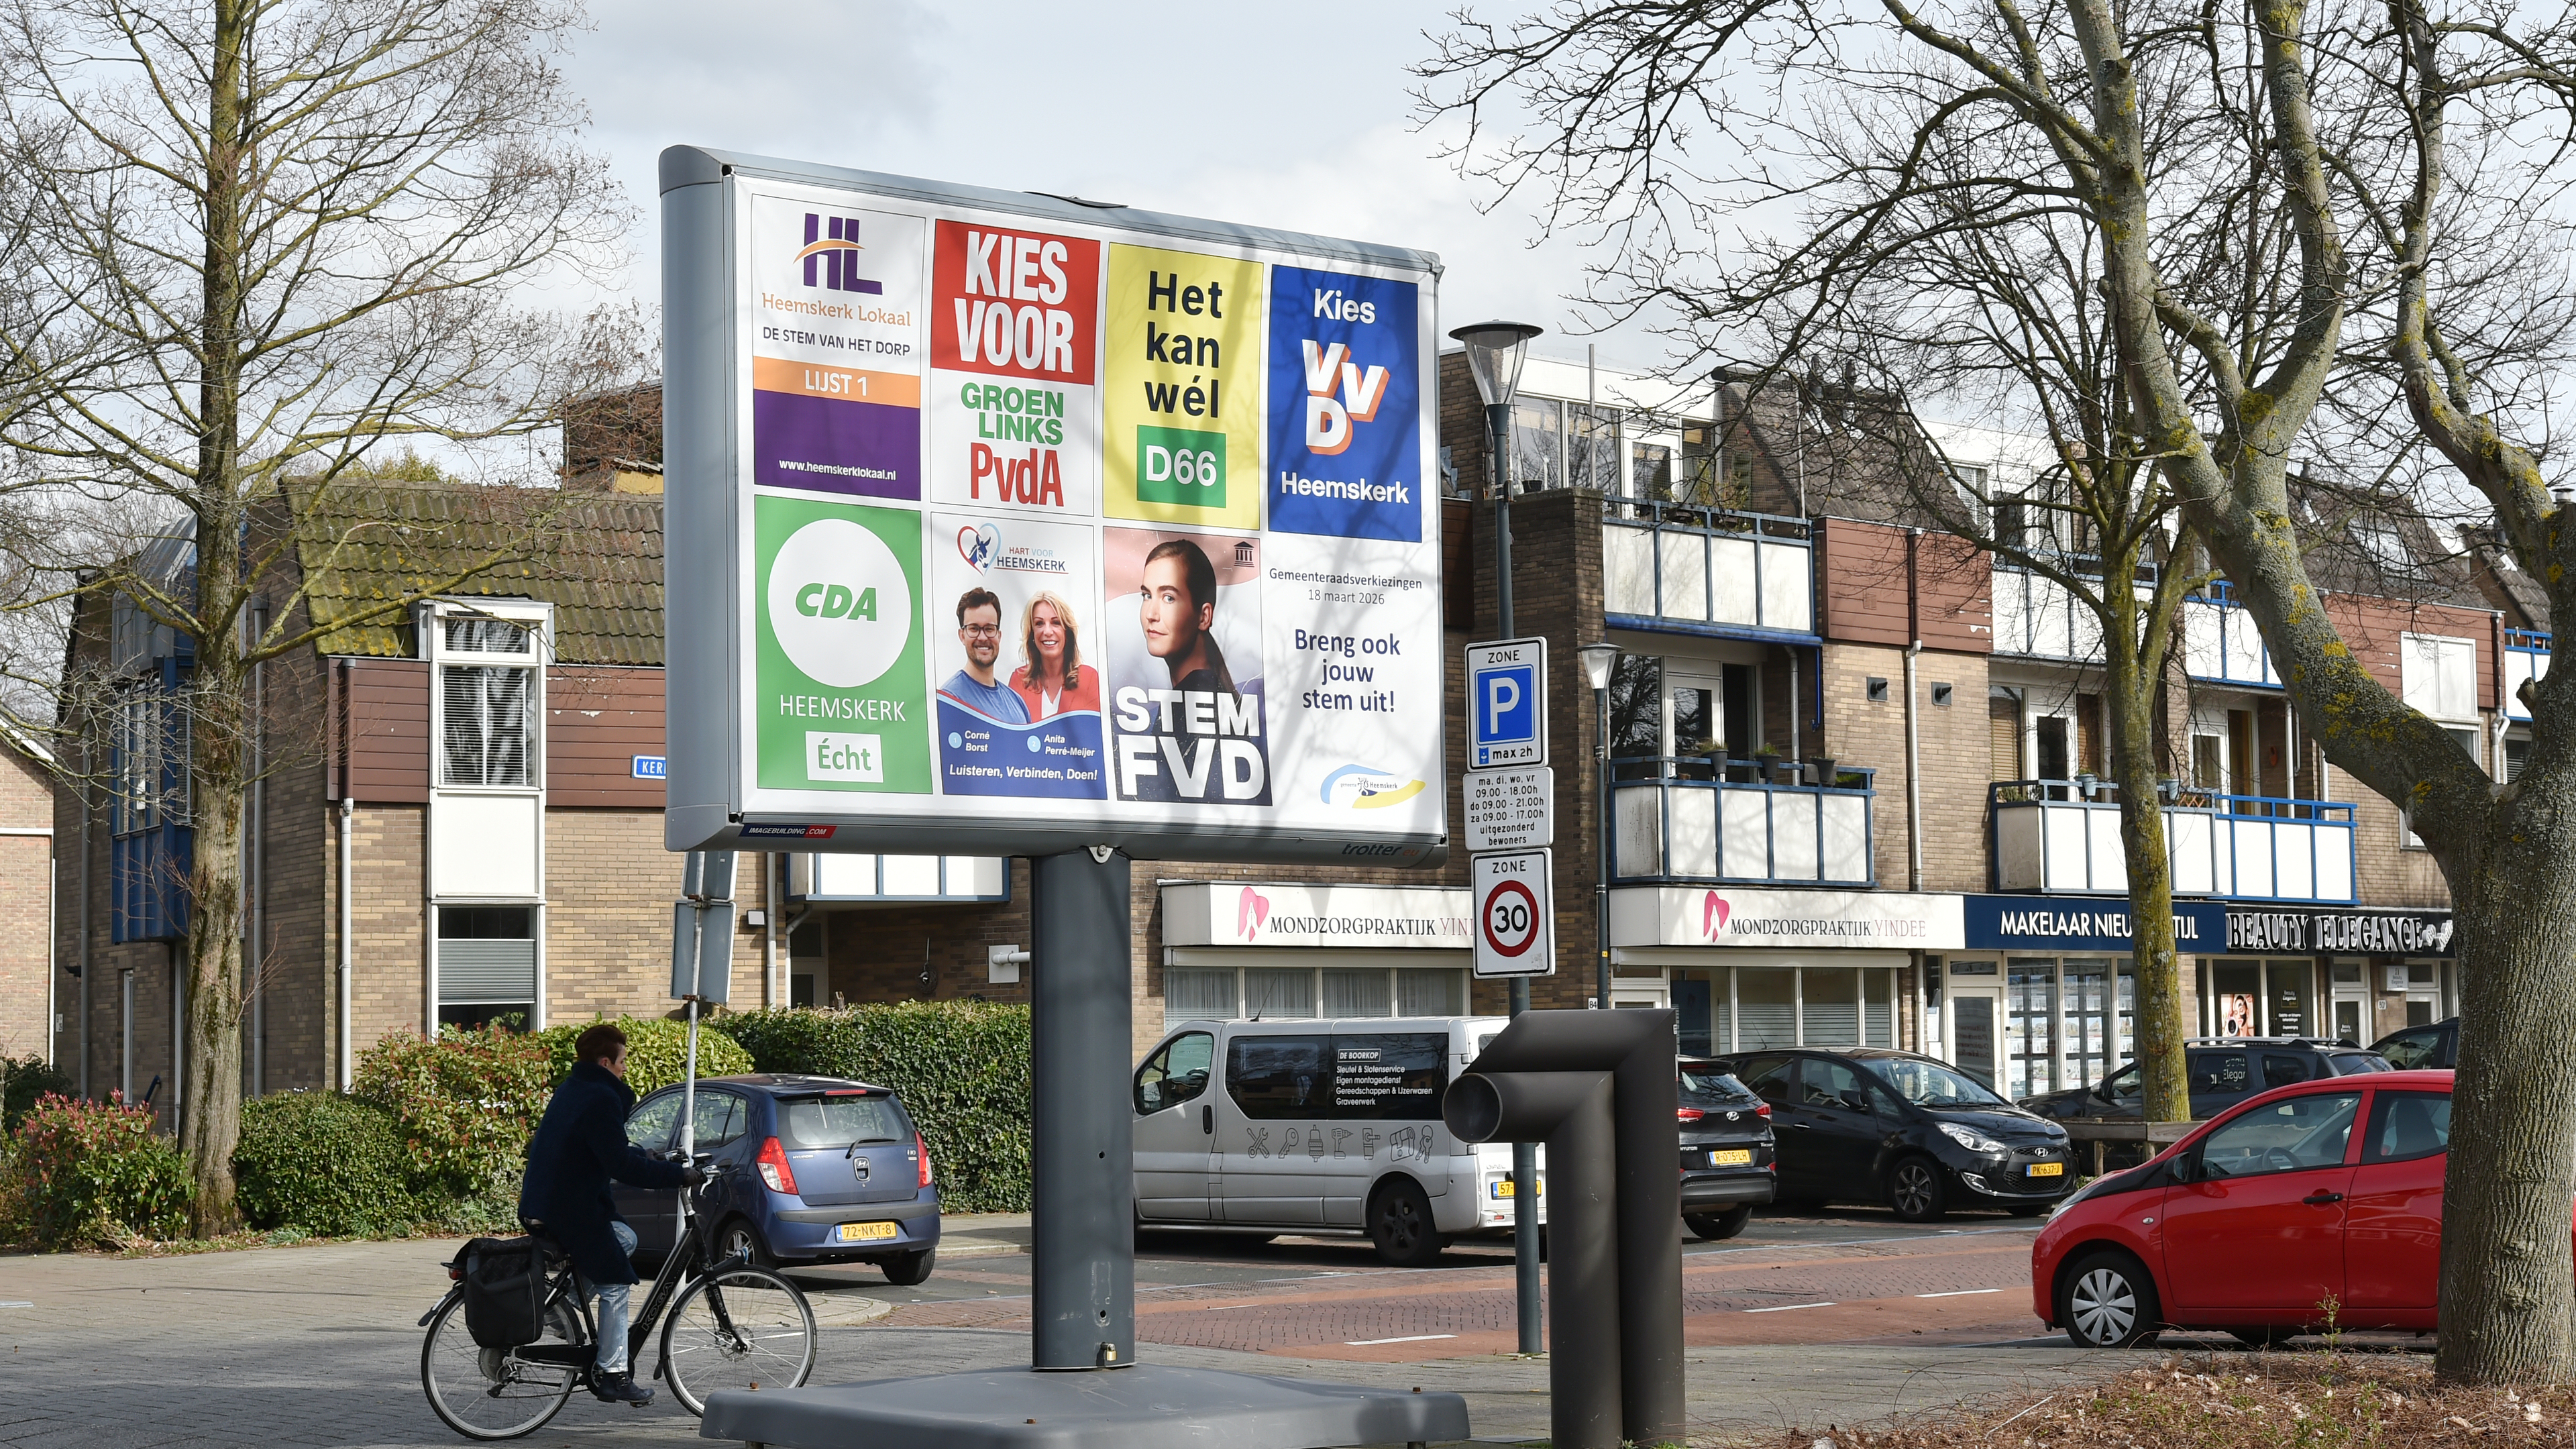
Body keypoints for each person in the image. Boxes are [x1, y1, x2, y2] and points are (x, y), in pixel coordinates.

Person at [517, 1022, 699, 1406]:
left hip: (548, 1200)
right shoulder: (601, 1098)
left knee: (626, 1239)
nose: (625, 1069)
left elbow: (604, 1149)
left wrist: (646, 1156)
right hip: (569, 1208)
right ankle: (614, 1373)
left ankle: (557, 1302)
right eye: (622, 1062)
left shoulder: (575, 1089)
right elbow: (619, 1166)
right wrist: (676, 1176)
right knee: (615, 1282)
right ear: (605, 1062)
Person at [1138, 539, 1237, 696]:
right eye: (1147, 596)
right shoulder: (1208, 692)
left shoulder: (1192, 698)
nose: (1151, 615)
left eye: (1169, 598)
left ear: (1204, 617)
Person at [939, 588, 1031, 723]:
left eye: (989, 629)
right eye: (974, 629)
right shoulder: (950, 700)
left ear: (999, 636)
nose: (982, 637)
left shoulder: (1018, 704)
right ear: (962, 636)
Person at [1007, 590, 1101, 720]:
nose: (1047, 631)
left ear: (1067, 632)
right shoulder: (1019, 680)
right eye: (1039, 623)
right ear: (1032, 634)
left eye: (1056, 622)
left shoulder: (1089, 679)